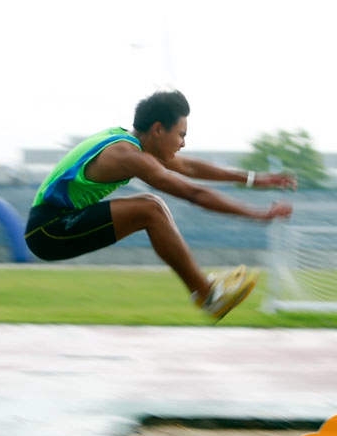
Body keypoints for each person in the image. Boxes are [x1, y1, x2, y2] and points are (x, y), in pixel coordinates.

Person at [25, 90, 295, 321]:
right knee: (150, 208)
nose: (183, 144)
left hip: (56, 223)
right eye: (181, 134)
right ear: (157, 129)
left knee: (150, 207)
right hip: (49, 230)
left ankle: (205, 292)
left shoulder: (131, 143)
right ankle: (207, 294)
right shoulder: (128, 155)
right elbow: (193, 193)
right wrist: (258, 214)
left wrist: (254, 179)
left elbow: (189, 166)